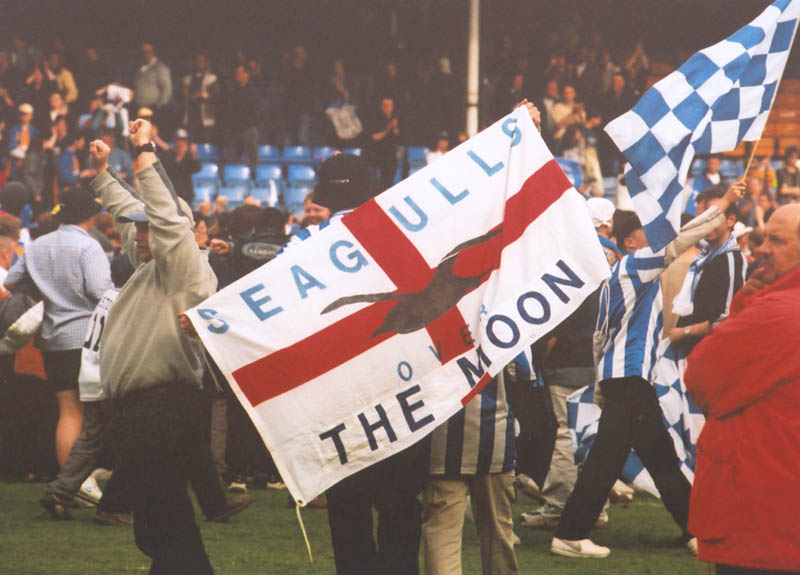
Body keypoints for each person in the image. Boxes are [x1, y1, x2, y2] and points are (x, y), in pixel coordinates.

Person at [551, 181, 746, 558]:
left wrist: (600, 388)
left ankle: (694, 529)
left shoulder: (616, 277)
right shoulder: (637, 265)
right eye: (646, 234)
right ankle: (570, 533)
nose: (656, 238)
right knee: (610, 460)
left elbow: (600, 340)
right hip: (630, 380)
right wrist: (724, 203)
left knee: (660, 458)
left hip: (624, 378)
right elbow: (681, 239)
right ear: (631, 242)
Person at [88, 119, 242, 574]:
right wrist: (102, 172)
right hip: (148, 406)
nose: (136, 235)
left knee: (160, 518)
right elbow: (130, 213)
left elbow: (160, 212)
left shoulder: (181, 266)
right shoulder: (153, 265)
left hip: (162, 407)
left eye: (146, 229)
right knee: (162, 515)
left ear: (172, 232)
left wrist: (144, 150)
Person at [684, 203, 800, 575]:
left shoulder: (781, 313)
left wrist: (751, 306)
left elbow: (701, 377)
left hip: (760, 512)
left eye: (776, 241)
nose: (763, 248)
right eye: (765, 238)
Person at [4, 186, 112, 470]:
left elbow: (10, 281)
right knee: (90, 412)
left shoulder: (37, 244)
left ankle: (69, 481)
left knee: (68, 411)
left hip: (50, 337)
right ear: (91, 214)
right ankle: (77, 481)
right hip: (84, 337)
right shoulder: (89, 246)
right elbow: (102, 291)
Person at [367, 96, 400, 191]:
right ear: (382, 107)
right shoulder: (376, 119)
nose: (388, 108)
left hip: (392, 154)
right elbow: (374, 137)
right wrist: (387, 129)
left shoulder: (396, 119)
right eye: (385, 105)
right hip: (378, 154)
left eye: (390, 105)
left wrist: (395, 128)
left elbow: (399, 136)